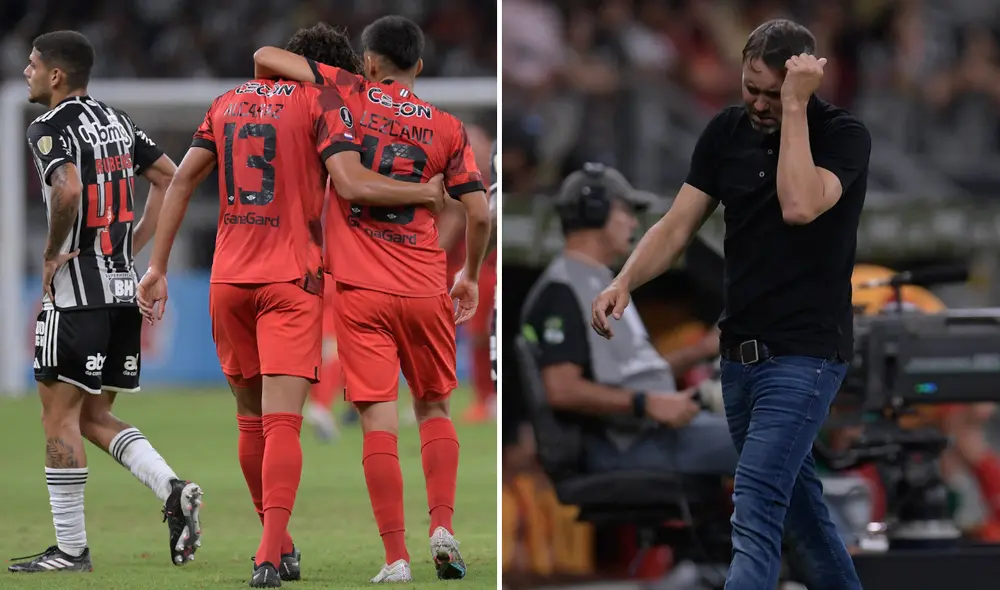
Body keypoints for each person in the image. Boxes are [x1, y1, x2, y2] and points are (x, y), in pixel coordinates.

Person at [137, 25, 444, 588]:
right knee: (283, 422)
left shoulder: (226, 102)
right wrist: (424, 193)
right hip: (291, 277)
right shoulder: (325, 101)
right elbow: (350, 183)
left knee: (249, 421)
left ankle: (279, 545)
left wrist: (155, 267)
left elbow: (180, 181)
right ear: (326, 67)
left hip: (228, 277)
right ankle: (269, 553)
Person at [591, 19, 871, 590]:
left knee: (756, 505)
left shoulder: (843, 135)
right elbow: (675, 226)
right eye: (751, 88)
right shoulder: (725, 133)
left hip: (806, 354)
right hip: (739, 358)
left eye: (773, 93)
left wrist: (795, 110)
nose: (760, 104)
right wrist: (625, 280)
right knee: (800, 514)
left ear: (801, 83)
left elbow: (799, 205)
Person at [252, 17, 491, 583]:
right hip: (427, 285)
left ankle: (396, 558)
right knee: (434, 408)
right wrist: (471, 276)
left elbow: (266, 56)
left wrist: (335, 74)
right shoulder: (448, 127)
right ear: (421, 68)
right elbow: (479, 211)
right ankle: (442, 527)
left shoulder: (347, 93)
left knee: (378, 421)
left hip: (361, 293)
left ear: (371, 62)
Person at [9, 30, 203, 574]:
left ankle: (70, 549)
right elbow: (170, 177)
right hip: (122, 291)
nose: (25, 72)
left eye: (32, 64)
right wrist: (133, 244)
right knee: (94, 414)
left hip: (75, 296)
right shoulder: (117, 120)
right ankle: (173, 488)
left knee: (57, 417)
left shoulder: (48, 126)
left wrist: (53, 254)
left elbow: (67, 190)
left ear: (55, 76)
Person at [522, 163, 736, 475]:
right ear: (596, 212)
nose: (634, 223)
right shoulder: (563, 288)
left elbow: (632, 372)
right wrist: (644, 403)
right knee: (769, 445)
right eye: (626, 211)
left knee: (772, 434)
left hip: (644, 433)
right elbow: (561, 388)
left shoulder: (598, 280)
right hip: (622, 443)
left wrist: (702, 349)